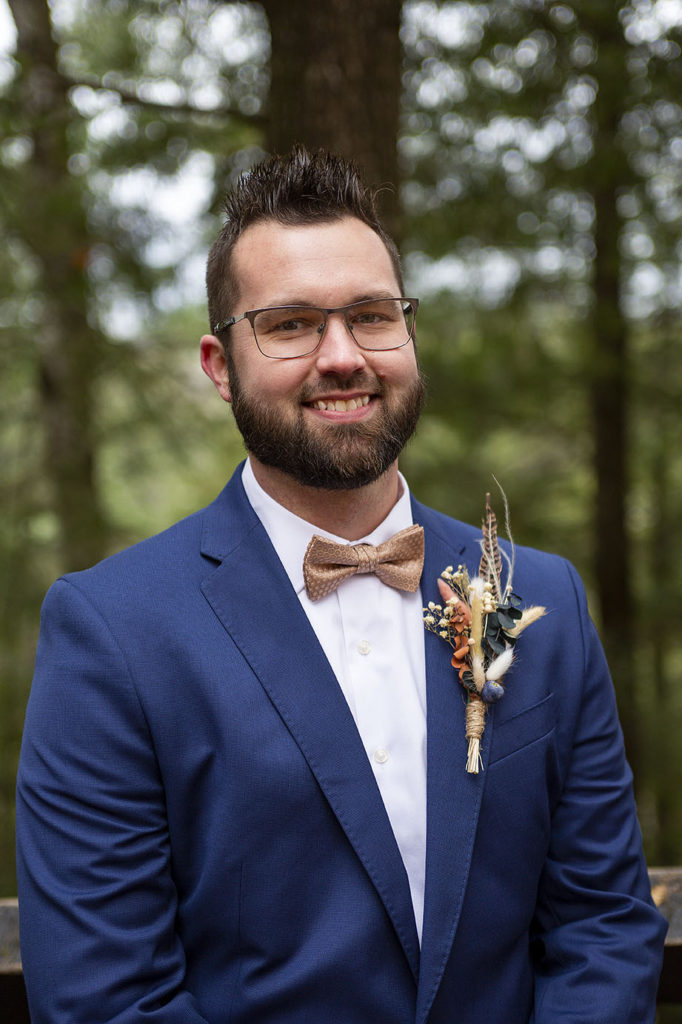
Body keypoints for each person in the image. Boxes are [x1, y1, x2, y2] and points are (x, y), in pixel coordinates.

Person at [16, 146, 666, 1024]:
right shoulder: (114, 631)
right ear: (219, 365)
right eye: (288, 325)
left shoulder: (540, 597)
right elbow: (108, 996)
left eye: (371, 315)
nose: (341, 356)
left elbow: (602, 924)